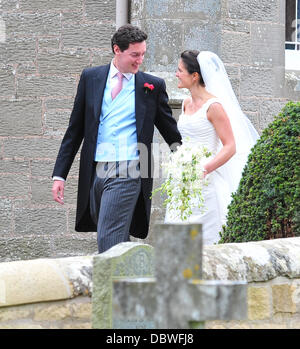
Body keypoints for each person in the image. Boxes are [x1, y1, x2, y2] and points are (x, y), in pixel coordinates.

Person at [52, 24, 182, 253]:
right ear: (117, 50)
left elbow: (170, 131)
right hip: (97, 169)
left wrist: (189, 161)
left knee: (108, 235)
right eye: (134, 54)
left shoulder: (152, 86)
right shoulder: (91, 77)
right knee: (117, 236)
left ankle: (109, 287)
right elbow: (74, 131)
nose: (140, 60)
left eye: (143, 54)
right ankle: (132, 285)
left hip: (129, 169)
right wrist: (59, 175)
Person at [164, 50, 259, 244]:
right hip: (183, 179)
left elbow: (230, 146)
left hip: (207, 180)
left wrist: (204, 168)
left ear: (195, 76)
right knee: (178, 230)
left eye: (180, 70)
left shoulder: (214, 106)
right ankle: (178, 274)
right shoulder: (186, 103)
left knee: (205, 237)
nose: (176, 74)